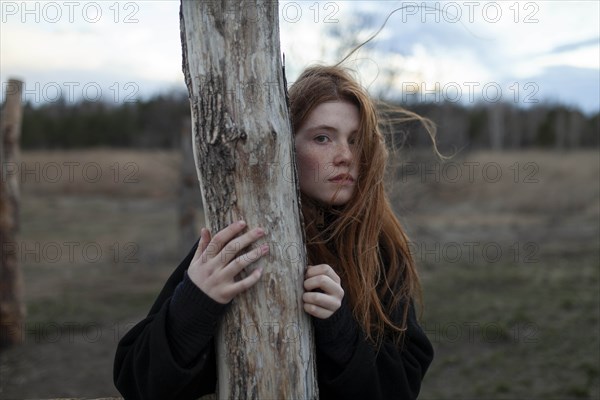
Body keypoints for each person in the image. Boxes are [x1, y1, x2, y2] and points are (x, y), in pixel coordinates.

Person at [114, 65, 434, 400]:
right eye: (322, 138)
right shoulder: (244, 239)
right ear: (284, 147)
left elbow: (402, 385)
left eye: (355, 140)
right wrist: (195, 300)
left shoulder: (378, 248)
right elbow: (137, 381)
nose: (345, 156)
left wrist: (342, 332)